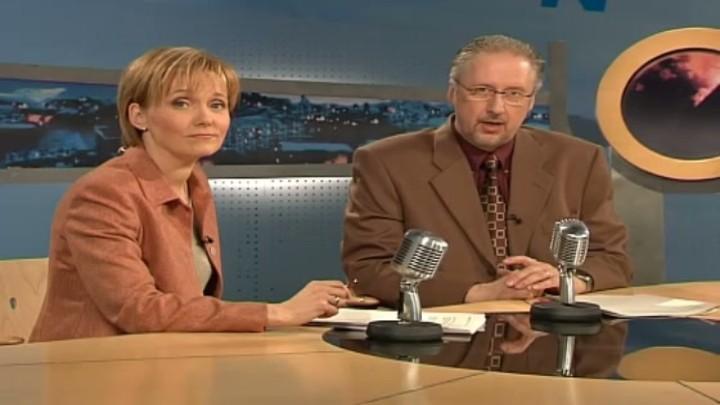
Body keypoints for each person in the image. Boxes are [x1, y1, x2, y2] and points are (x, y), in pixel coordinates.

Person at [30, 47, 349, 342]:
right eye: (182, 103)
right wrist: (278, 313)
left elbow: (189, 302)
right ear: (138, 116)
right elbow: (138, 310)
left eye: (217, 104)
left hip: (170, 361)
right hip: (93, 368)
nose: (206, 118)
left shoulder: (195, 183)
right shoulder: (103, 193)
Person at [342, 35, 632, 308]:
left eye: (514, 94)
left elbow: (612, 260)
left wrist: (567, 280)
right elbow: (368, 270)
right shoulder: (386, 162)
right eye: (481, 91)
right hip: (440, 335)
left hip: (546, 337)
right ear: (453, 93)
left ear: (531, 102)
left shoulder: (578, 160)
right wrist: (480, 293)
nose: (497, 108)